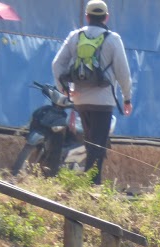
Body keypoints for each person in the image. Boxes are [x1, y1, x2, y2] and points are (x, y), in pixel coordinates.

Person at [51, 0, 132, 184]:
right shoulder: (113, 39)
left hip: (80, 101)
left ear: (87, 17)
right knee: (98, 146)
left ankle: (89, 184)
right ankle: (92, 186)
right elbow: (123, 73)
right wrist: (127, 98)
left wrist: (64, 89)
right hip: (103, 102)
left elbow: (57, 64)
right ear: (106, 17)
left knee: (90, 144)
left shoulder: (75, 36)